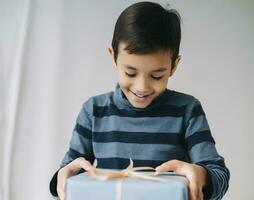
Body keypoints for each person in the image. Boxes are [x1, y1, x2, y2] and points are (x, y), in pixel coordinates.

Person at [49, 2, 230, 200]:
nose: (142, 87)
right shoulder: (94, 111)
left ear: (174, 65)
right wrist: (65, 176)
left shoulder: (187, 110)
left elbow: (219, 175)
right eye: (130, 72)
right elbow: (66, 177)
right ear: (113, 56)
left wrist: (202, 175)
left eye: (156, 75)